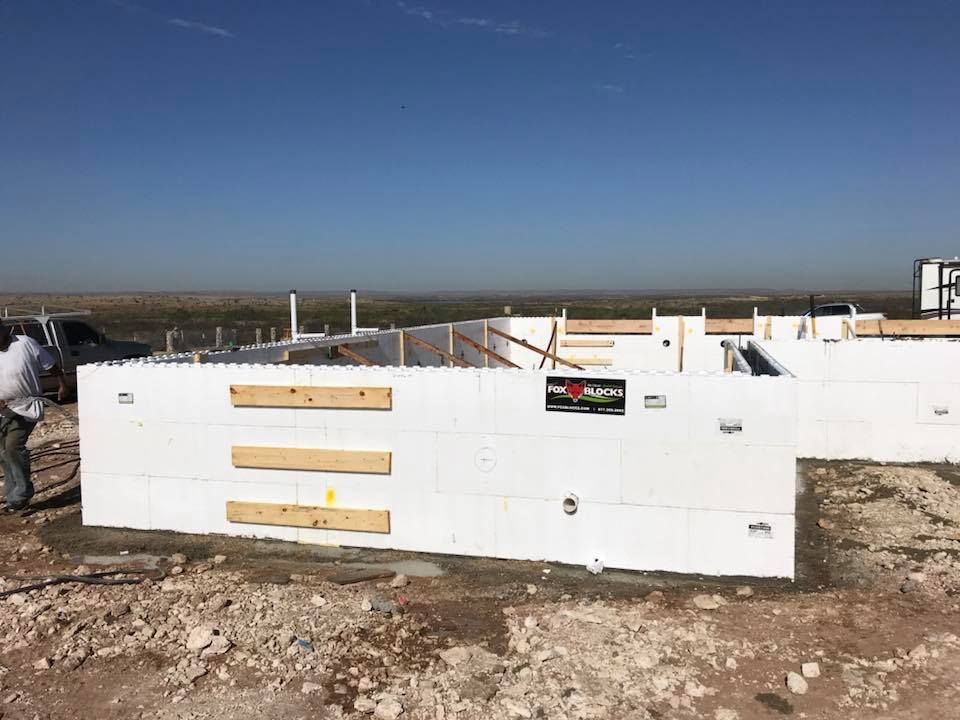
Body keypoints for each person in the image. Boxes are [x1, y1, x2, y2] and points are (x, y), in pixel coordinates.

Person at [0, 323, 67, 511]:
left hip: (24, 406)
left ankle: (21, 494)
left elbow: (51, 365)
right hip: (2, 408)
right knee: (2, 452)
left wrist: (62, 384)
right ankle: (12, 494)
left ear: (4, 330)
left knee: (13, 446)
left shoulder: (25, 344)